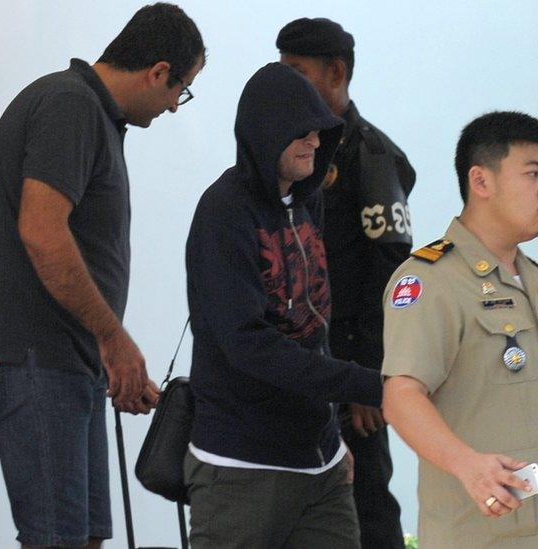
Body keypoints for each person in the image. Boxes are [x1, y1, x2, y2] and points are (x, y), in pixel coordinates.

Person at [0, 3, 204, 547]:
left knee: (86, 535)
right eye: (179, 90)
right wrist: (113, 338)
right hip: (36, 359)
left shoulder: (90, 111)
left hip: (68, 360)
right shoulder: (71, 105)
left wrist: (105, 347)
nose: (173, 107)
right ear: (158, 71)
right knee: (58, 539)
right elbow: (42, 231)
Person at [183, 62, 384, 548]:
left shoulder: (308, 200)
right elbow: (248, 344)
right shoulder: (224, 212)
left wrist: (331, 437)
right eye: (300, 132)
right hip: (242, 468)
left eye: (319, 131)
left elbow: (314, 325)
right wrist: (367, 384)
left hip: (322, 461)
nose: (314, 142)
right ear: (265, 132)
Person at [277, 17, 415, 548]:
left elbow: (393, 275)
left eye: (297, 72)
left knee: (368, 508)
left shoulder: (368, 155)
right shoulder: (296, 153)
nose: (286, 83)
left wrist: (369, 376)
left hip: (353, 366)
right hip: (306, 362)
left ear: (335, 72)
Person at [382, 111, 538, 548]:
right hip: (478, 536)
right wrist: (468, 465)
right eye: (533, 174)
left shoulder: (532, 277)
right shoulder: (430, 280)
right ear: (482, 182)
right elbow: (400, 397)